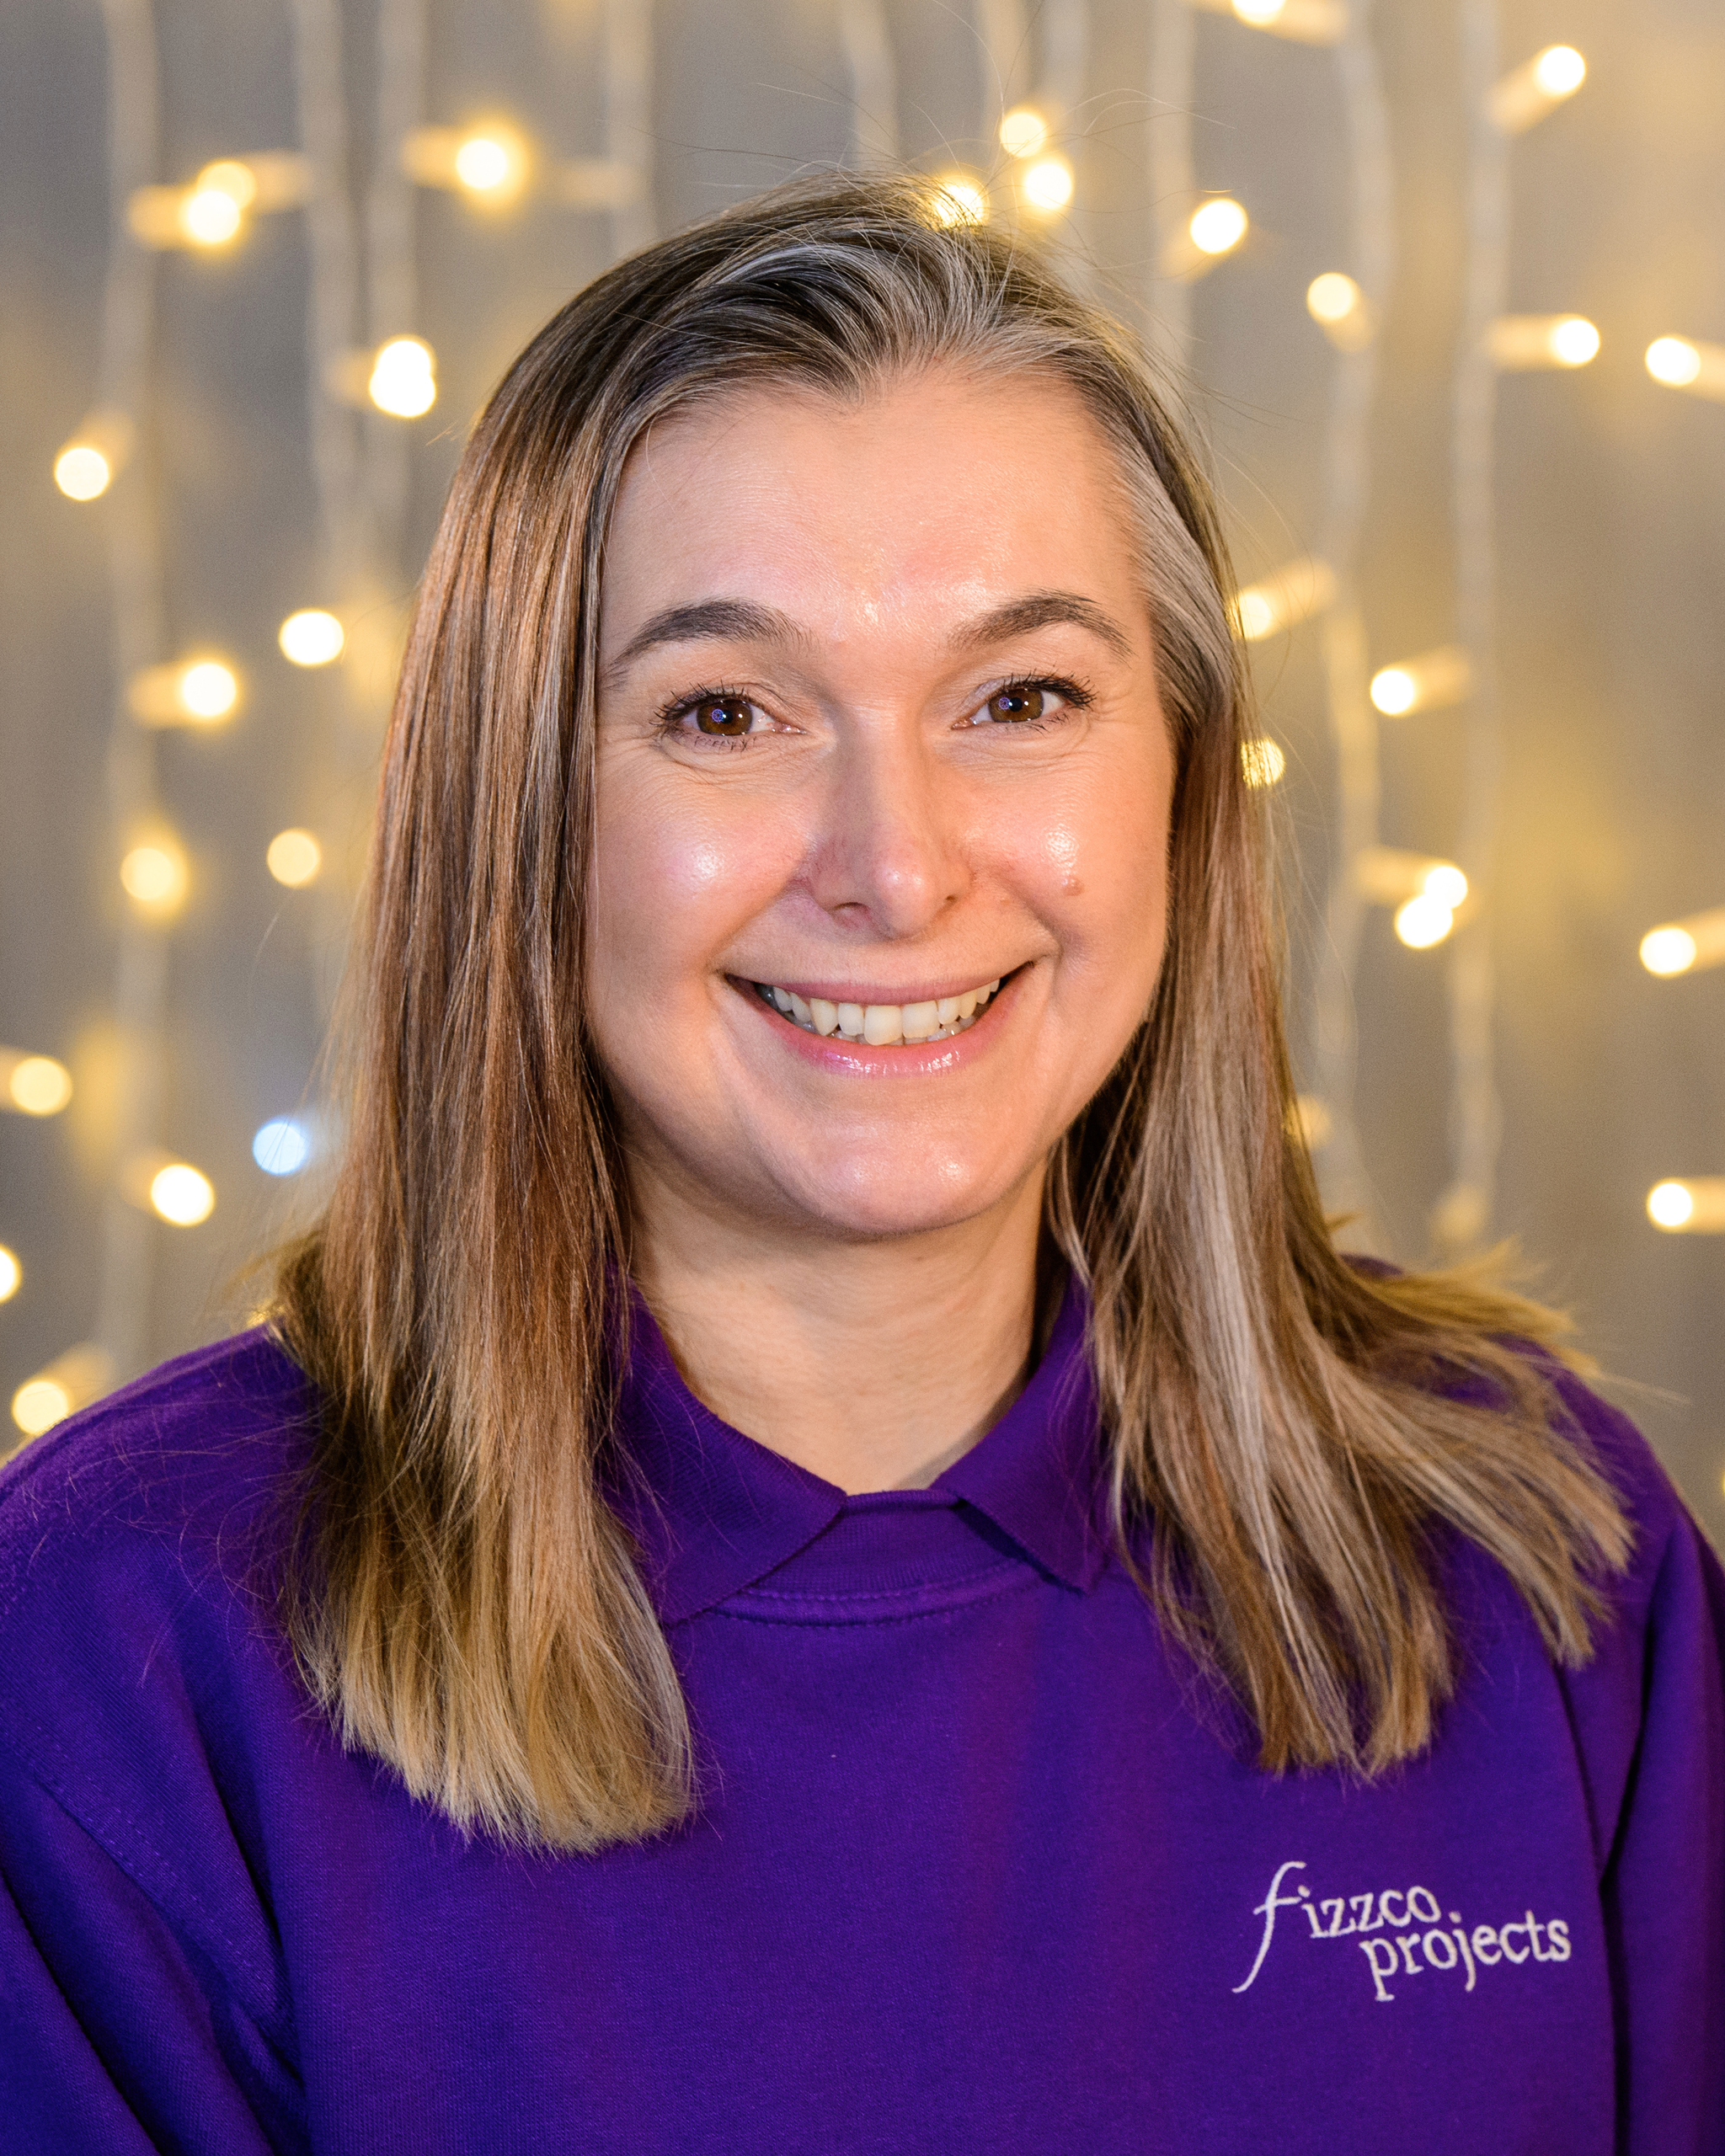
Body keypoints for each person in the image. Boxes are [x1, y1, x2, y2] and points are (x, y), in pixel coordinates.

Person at [1, 173, 1720, 2155]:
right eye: (723, 711)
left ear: (1177, 777)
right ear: (516, 814)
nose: (896, 866)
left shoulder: (1535, 1550)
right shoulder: (117, 1654)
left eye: (1022, 698)